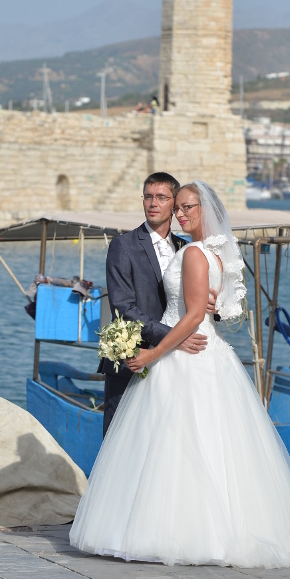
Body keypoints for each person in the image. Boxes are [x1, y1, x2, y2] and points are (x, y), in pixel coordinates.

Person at [71, 180, 290, 568]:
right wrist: (181, 333)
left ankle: (189, 532)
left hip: (182, 353)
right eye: (157, 200)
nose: (175, 211)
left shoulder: (190, 249)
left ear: (202, 210)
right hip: (176, 349)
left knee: (190, 441)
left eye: (178, 204)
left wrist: (174, 338)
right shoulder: (130, 246)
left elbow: (204, 308)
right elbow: (126, 306)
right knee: (167, 443)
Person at [100, 172, 215, 437]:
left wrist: (214, 308)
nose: (153, 203)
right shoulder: (123, 246)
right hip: (133, 359)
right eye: (148, 197)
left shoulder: (186, 248)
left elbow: (198, 299)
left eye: (161, 198)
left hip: (177, 365)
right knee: (121, 444)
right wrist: (176, 338)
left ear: (174, 206)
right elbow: (123, 307)